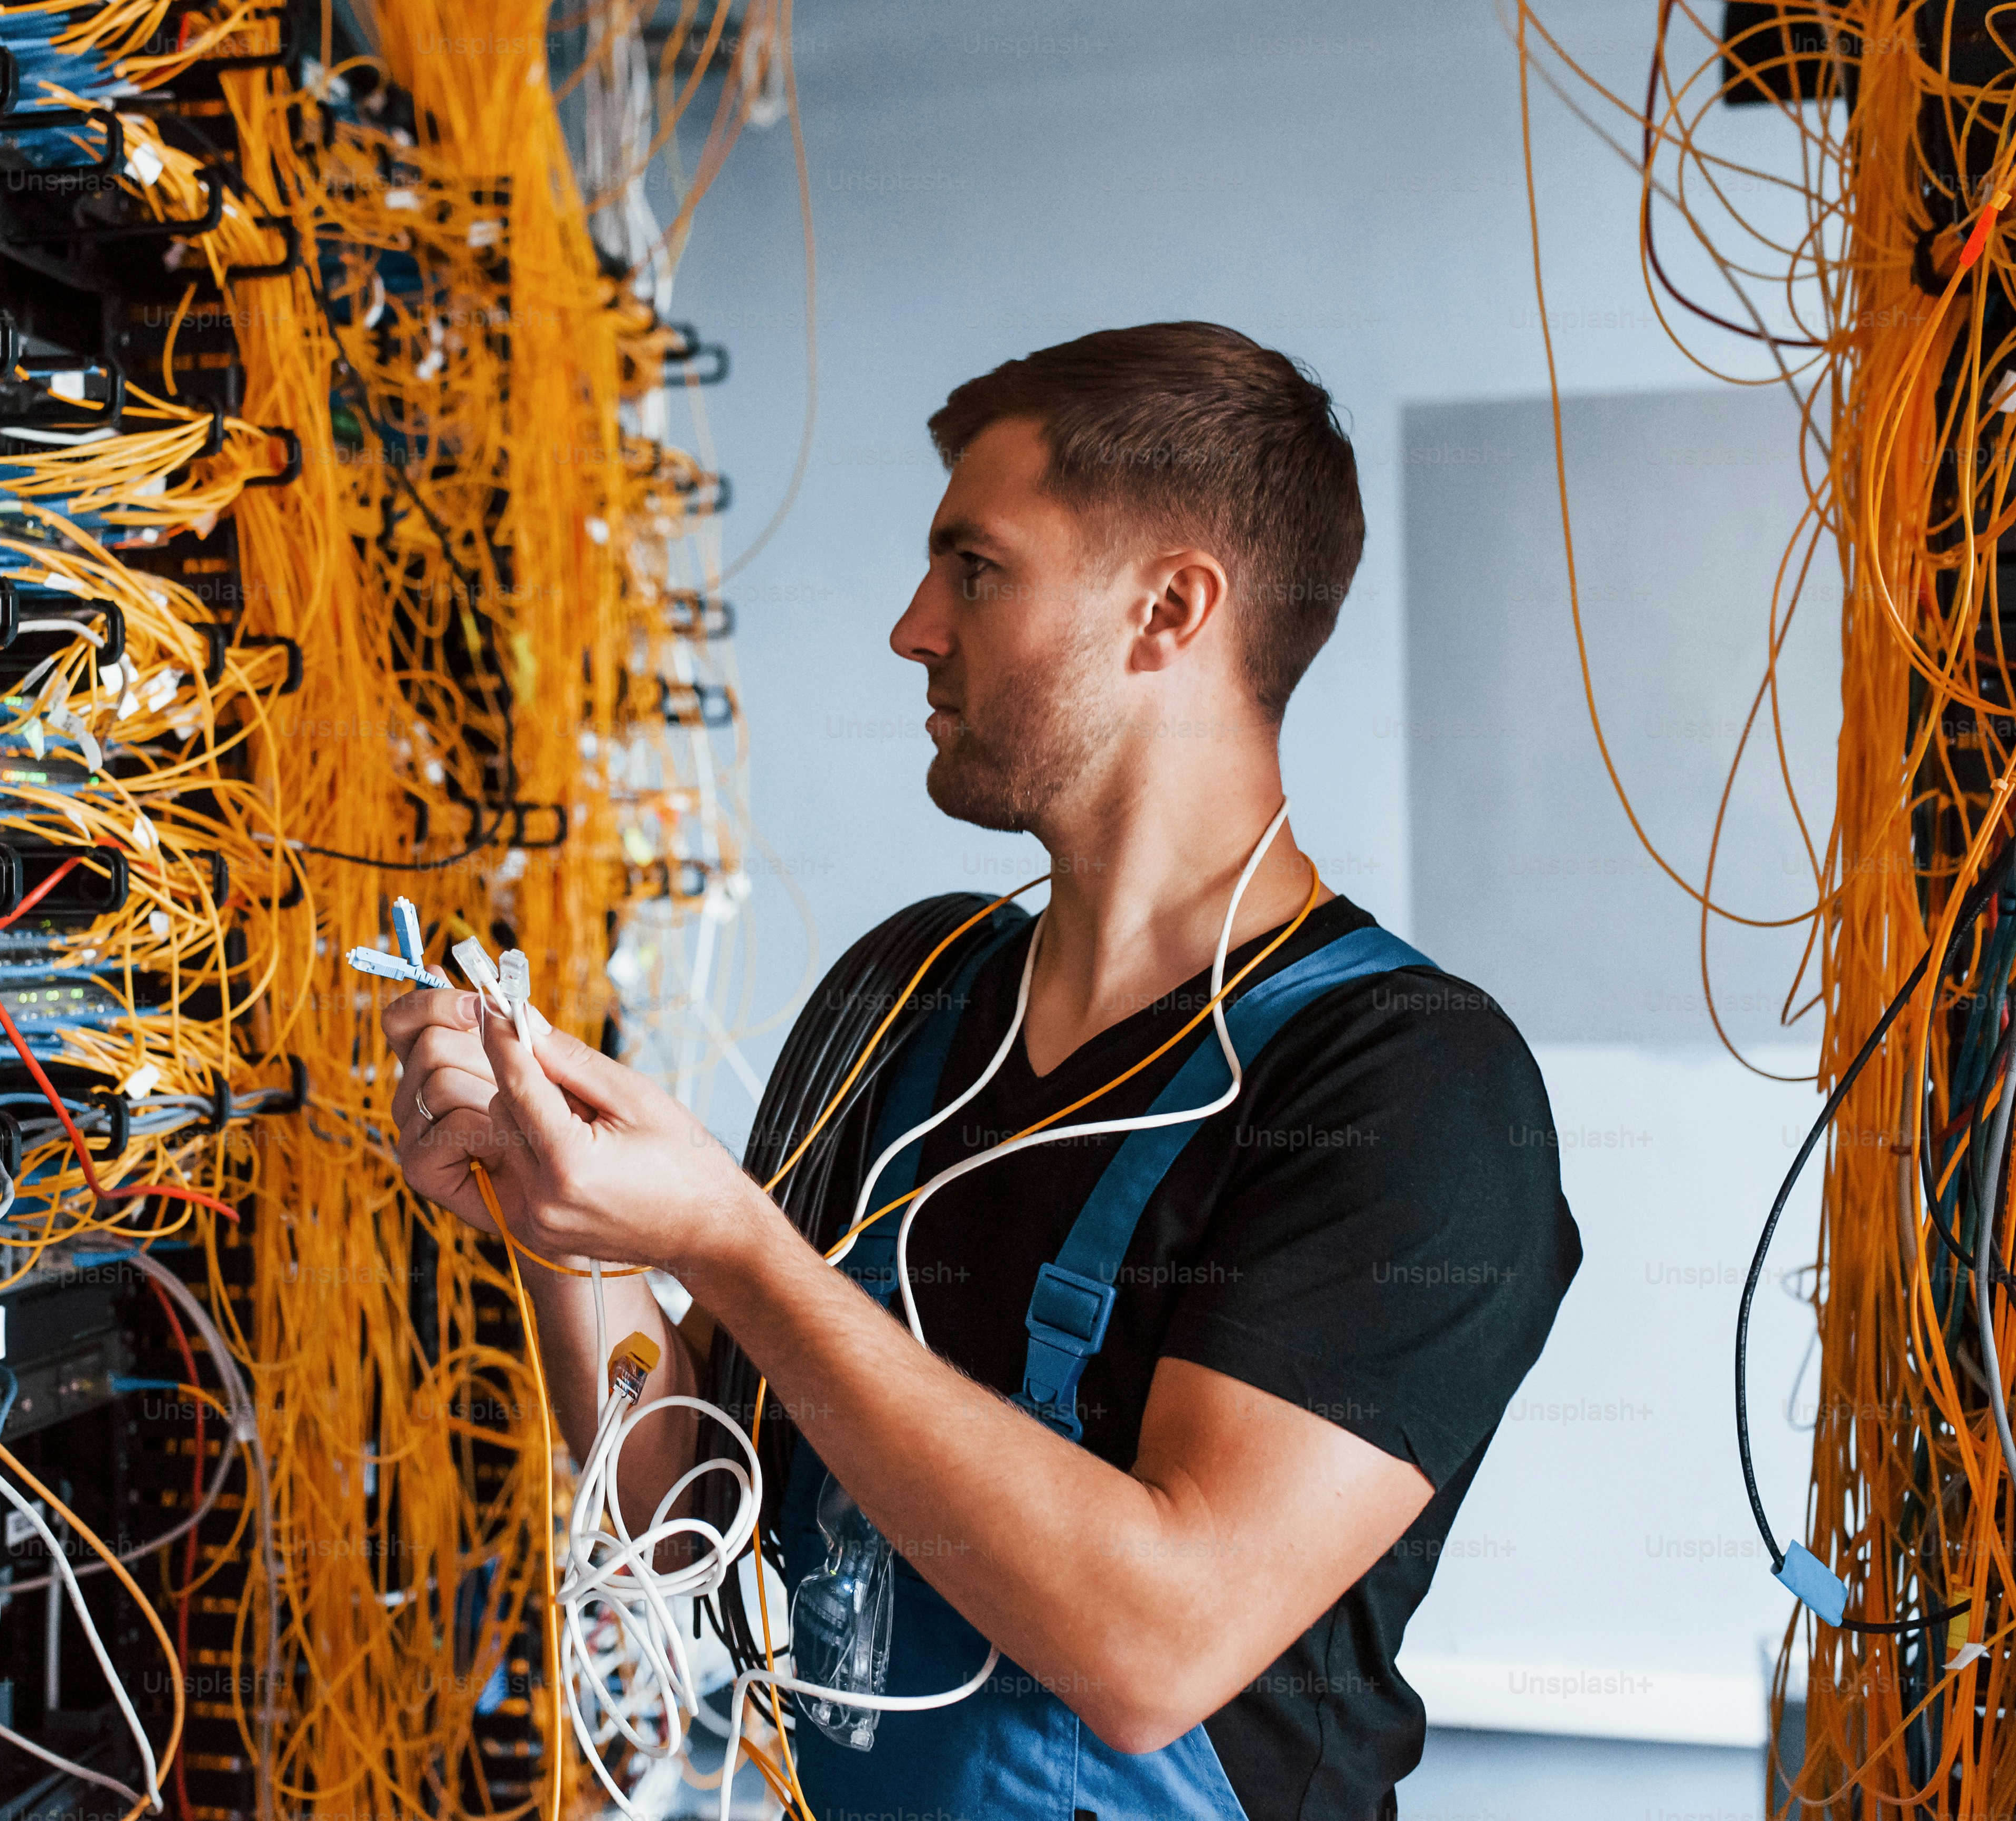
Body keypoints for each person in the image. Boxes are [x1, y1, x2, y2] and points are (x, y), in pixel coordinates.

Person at [381, 322, 1580, 1820]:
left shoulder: (1406, 1087)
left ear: (1168, 609)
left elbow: (1153, 1647)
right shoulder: (911, 992)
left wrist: (732, 1243)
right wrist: (569, 1230)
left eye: (975, 569)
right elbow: (682, 1509)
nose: (912, 629)